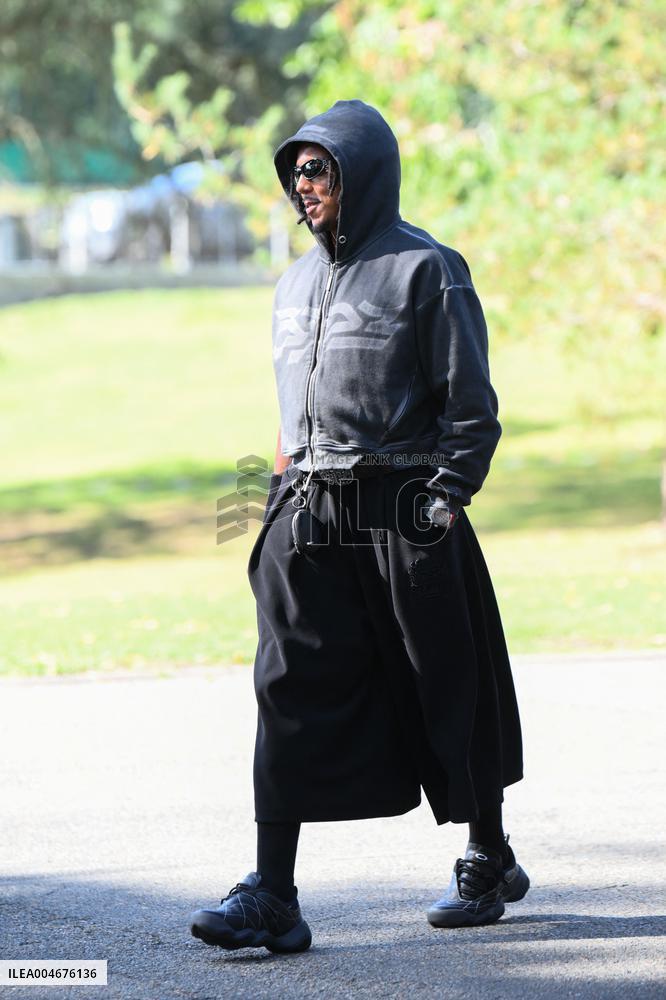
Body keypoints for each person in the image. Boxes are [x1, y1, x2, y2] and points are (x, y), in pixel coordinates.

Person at [190, 99, 528, 954]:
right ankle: (271, 893)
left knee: (445, 686)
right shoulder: (292, 282)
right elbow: (285, 408)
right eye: (296, 171)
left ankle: (486, 854)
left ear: (363, 174)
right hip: (309, 515)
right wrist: (265, 515)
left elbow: (474, 412)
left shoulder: (429, 269)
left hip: (408, 513)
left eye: (320, 170)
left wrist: (442, 499)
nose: (304, 186)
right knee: (286, 693)